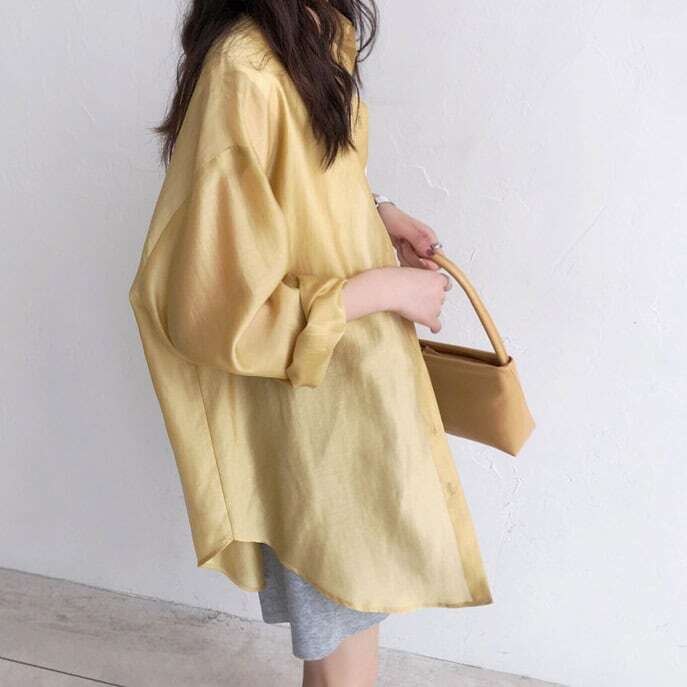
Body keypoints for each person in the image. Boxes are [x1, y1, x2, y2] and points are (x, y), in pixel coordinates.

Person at [128, 2, 493, 685]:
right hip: (313, 413)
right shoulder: (244, 69)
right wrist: (384, 289)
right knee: (344, 649)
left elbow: (303, 183)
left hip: (358, 387)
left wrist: (376, 212)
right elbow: (218, 309)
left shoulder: (321, 28)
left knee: (346, 642)